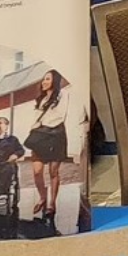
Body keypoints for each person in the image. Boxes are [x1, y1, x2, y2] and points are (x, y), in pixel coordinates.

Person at [26, 69, 79, 224]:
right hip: (40, 136)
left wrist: (43, 124)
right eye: (43, 79)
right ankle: (43, 197)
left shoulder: (63, 95)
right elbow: (36, 118)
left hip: (56, 135)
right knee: (37, 172)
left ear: (54, 81)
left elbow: (60, 116)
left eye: (47, 79)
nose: (44, 82)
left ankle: (52, 203)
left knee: (53, 171)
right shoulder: (40, 99)